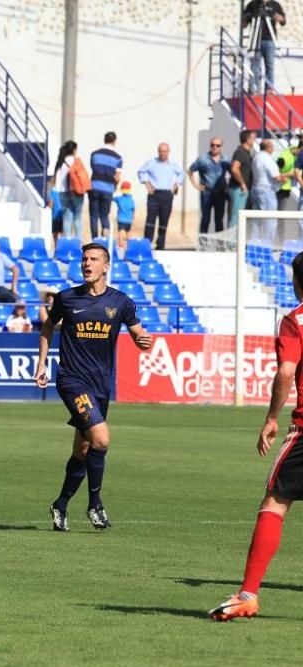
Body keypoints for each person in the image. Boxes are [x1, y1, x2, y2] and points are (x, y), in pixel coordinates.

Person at [208, 250, 303, 622]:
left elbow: (285, 373)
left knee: (275, 503)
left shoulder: (295, 320)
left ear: (296, 283)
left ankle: (248, 594)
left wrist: (270, 419)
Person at [35, 242, 153, 532]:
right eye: (84, 259)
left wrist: (142, 340)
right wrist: (42, 363)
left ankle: (60, 505)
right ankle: (95, 504)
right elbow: (48, 327)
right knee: (101, 439)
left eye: (94, 259)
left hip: (101, 386)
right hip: (72, 380)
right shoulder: (66, 298)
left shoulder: (121, 302)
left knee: (84, 448)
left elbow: (138, 332)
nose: (87, 264)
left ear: (106, 266)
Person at [137, 142, 183, 250]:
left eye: (165, 151)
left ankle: (160, 245)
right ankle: (147, 245)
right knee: (150, 220)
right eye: (161, 151)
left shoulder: (173, 165)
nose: (163, 154)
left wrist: (176, 185)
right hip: (154, 194)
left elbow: (181, 173)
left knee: (164, 221)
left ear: (168, 152)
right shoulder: (152, 162)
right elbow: (141, 171)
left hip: (167, 195)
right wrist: (146, 184)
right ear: (158, 152)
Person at [188, 136, 230, 235]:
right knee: (205, 219)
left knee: (219, 220)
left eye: (217, 145)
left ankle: (219, 246)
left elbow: (233, 171)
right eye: (212, 145)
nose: (215, 147)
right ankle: (203, 246)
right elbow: (190, 171)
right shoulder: (203, 159)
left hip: (220, 193)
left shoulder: (226, 160)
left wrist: (228, 186)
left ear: (221, 147)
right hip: (207, 192)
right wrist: (196, 185)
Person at [244, 0, 286, 93]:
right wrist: (249, 16)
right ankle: (254, 88)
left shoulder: (275, 5)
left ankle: (269, 89)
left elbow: (283, 21)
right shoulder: (252, 5)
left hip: (270, 40)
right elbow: (244, 24)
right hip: (255, 40)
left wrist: (275, 16)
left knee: (269, 65)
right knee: (255, 65)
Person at [250, 139, 287, 242]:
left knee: (256, 219)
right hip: (266, 191)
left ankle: (255, 244)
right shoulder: (266, 158)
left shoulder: (256, 157)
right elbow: (276, 176)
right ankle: (269, 245)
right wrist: (284, 178)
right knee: (270, 219)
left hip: (256, 188)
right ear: (269, 147)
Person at [89, 132, 123, 240]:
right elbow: (117, 177)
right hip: (108, 189)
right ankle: (105, 232)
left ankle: (94, 237)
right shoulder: (118, 158)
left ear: (104, 139)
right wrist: (114, 186)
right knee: (104, 214)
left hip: (94, 187)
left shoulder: (95, 154)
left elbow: (93, 168)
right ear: (114, 141)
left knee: (94, 215)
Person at [51, 141, 84, 239]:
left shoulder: (61, 162)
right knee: (77, 218)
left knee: (67, 218)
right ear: (74, 150)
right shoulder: (76, 161)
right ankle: (78, 241)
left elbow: (58, 182)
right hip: (77, 192)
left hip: (63, 193)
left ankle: (67, 240)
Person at [113, 181, 136, 252]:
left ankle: (121, 246)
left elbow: (111, 198)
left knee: (121, 233)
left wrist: (115, 188)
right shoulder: (131, 200)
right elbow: (133, 210)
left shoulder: (119, 198)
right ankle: (129, 247)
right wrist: (132, 219)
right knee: (128, 233)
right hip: (129, 220)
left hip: (121, 220)